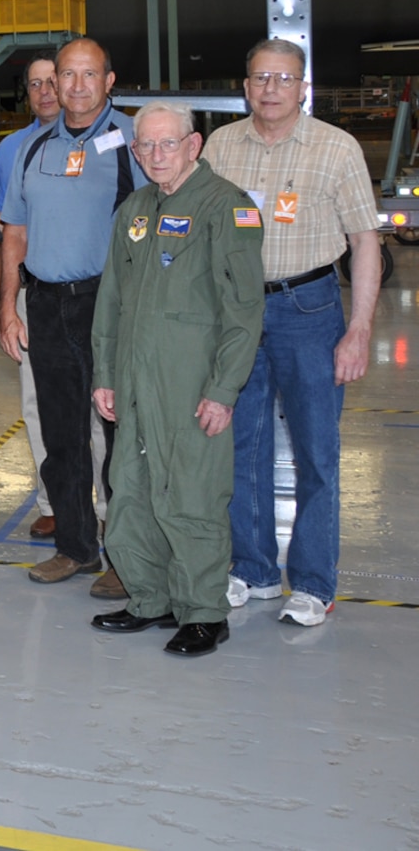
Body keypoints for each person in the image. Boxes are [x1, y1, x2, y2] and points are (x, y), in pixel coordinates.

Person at [204, 38, 381, 628]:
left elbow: (365, 241)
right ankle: (251, 569)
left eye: (284, 79)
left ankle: (312, 582)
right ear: (246, 87)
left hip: (309, 310)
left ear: (303, 87)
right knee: (240, 446)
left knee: (316, 453)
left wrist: (358, 329)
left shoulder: (337, 148)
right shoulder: (221, 147)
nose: (271, 89)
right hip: (238, 314)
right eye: (261, 78)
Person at [90, 102, 265, 657]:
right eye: (146, 145)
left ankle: (204, 611)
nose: (156, 155)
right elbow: (111, 302)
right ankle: (151, 598)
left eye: (169, 144)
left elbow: (244, 312)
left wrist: (223, 389)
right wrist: (106, 374)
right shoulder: (135, 210)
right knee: (132, 490)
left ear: (194, 146)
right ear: (135, 150)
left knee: (192, 494)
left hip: (191, 381)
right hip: (135, 379)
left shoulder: (226, 207)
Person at [0, 38, 133, 596]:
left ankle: (128, 556)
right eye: (64, 76)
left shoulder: (132, 142)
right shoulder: (35, 149)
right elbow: (15, 233)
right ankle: (75, 546)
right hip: (46, 303)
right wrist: (8, 305)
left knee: (123, 437)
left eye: (86, 75)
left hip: (109, 303)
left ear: (108, 80)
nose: (73, 87)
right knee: (62, 435)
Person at [0, 54, 80, 539]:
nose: (46, 92)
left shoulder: (104, 139)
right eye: (35, 85)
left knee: (98, 404)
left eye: (54, 80)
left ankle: (108, 506)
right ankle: (54, 501)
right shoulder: (12, 149)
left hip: (92, 291)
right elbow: (12, 228)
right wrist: (8, 303)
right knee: (38, 402)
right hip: (35, 290)